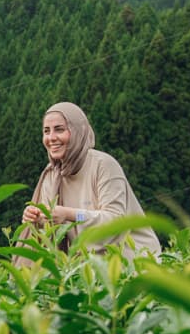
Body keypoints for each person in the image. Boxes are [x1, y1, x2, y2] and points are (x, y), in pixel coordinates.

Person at [18, 101, 160, 259]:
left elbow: (115, 221)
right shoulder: (51, 176)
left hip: (134, 261)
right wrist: (39, 220)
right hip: (87, 264)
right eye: (46, 131)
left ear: (78, 131)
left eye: (59, 129)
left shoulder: (103, 165)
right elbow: (51, 234)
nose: (51, 138)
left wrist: (70, 214)